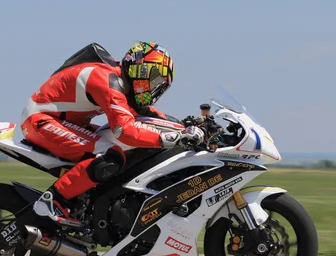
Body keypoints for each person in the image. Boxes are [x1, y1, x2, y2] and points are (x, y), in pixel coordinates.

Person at [20, 42, 203, 228]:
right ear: (141, 71)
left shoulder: (120, 80)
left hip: (63, 122)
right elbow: (124, 129)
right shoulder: (107, 80)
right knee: (110, 155)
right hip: (41, 120)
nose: (155, 88)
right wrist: (166, 139)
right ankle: (53, 200)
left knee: (118, 150)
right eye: (155, 80)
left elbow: (147, 113)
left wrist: (183, 126)